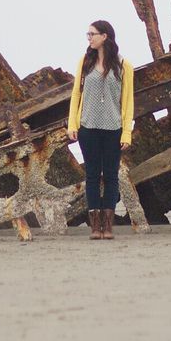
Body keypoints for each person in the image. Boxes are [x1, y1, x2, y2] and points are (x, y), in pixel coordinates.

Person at [67, 19, 134, 240]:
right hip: (88, 127)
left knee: (112, 176)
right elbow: (76, 94)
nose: (89, 38)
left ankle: (108, 227)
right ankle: (96, 228)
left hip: (114, 128)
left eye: (92, 34)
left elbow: (128, 102)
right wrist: (72, 124)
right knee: (93, 176)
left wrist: (126, 132)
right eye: (88, 35)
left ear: (105, 36)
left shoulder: (124, 65)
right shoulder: (85, 62)